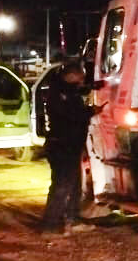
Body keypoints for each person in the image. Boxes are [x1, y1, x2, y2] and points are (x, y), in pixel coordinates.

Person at [41, 62, 102, 234]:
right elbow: (72, 115)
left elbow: (78, 96)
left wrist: (94, 87)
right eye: (80, 78)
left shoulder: (65, 89)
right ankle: (50, 225)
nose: (82, 81)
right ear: (71, 76)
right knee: (62, 186)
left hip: (70, 145)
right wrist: (91, 111)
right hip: (62, 145)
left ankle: (72, 219)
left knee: (74, 185)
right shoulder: (60, 95)